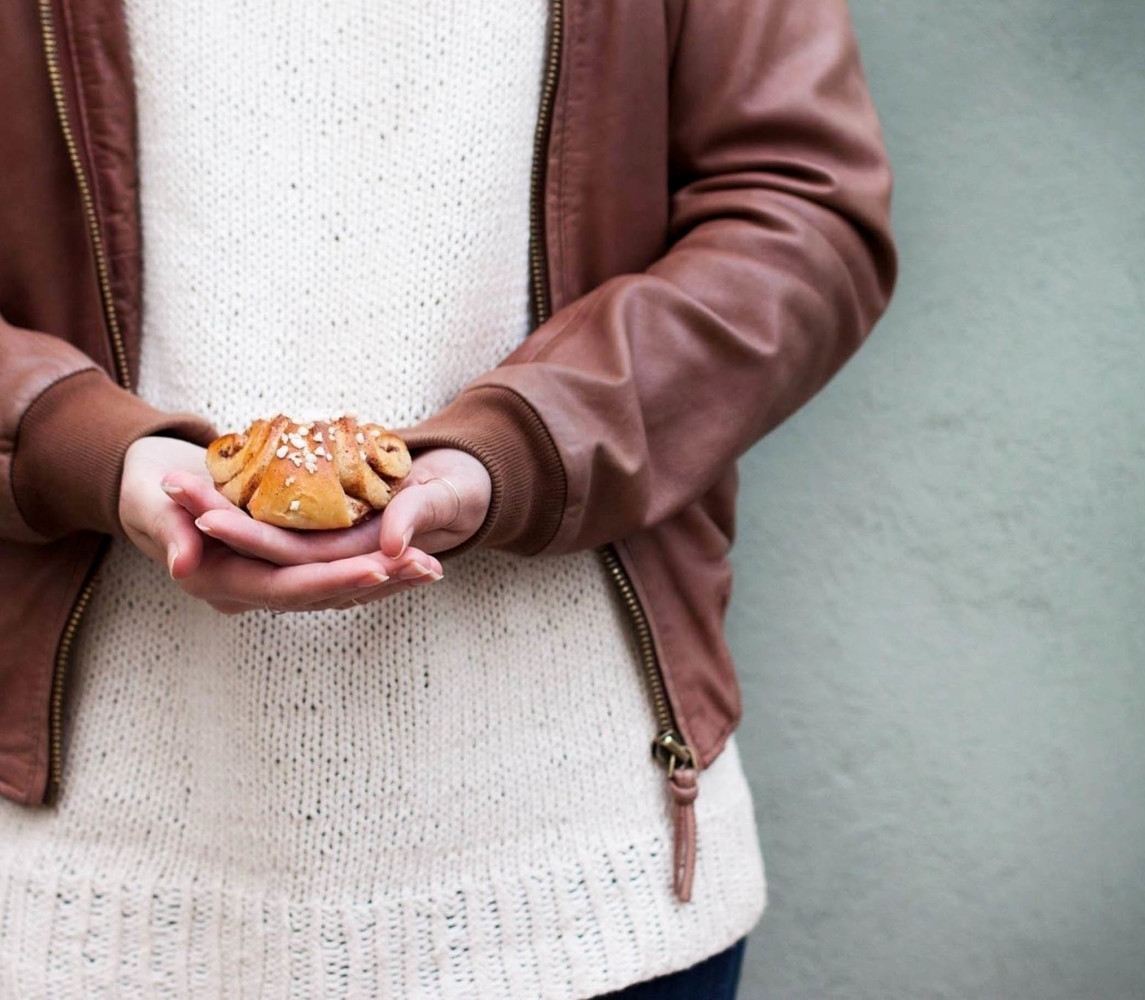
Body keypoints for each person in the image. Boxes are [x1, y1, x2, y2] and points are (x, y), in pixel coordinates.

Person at [0, 0, 896, 995]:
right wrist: (71, 446)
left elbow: (802, 211)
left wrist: (524, 448)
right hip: (67, 885)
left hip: (588, 871)